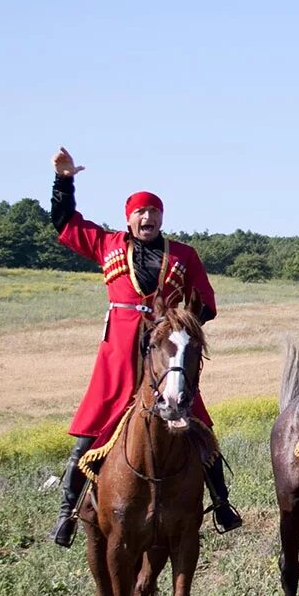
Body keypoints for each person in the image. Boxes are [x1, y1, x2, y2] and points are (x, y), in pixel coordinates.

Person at [48, 147, 242, 547]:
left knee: (199, 424)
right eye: (141, 213)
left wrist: (183, 326)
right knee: (92, 425)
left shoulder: (184, 255)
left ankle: (222, 503)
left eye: (154, 213)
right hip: (119, 355)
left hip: (165, 354)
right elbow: (66, 224)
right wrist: (64, 181)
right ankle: (67, 513)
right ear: (128, 218)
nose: (148, 218)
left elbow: (206, 303)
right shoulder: (108, 244)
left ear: (162, 218)